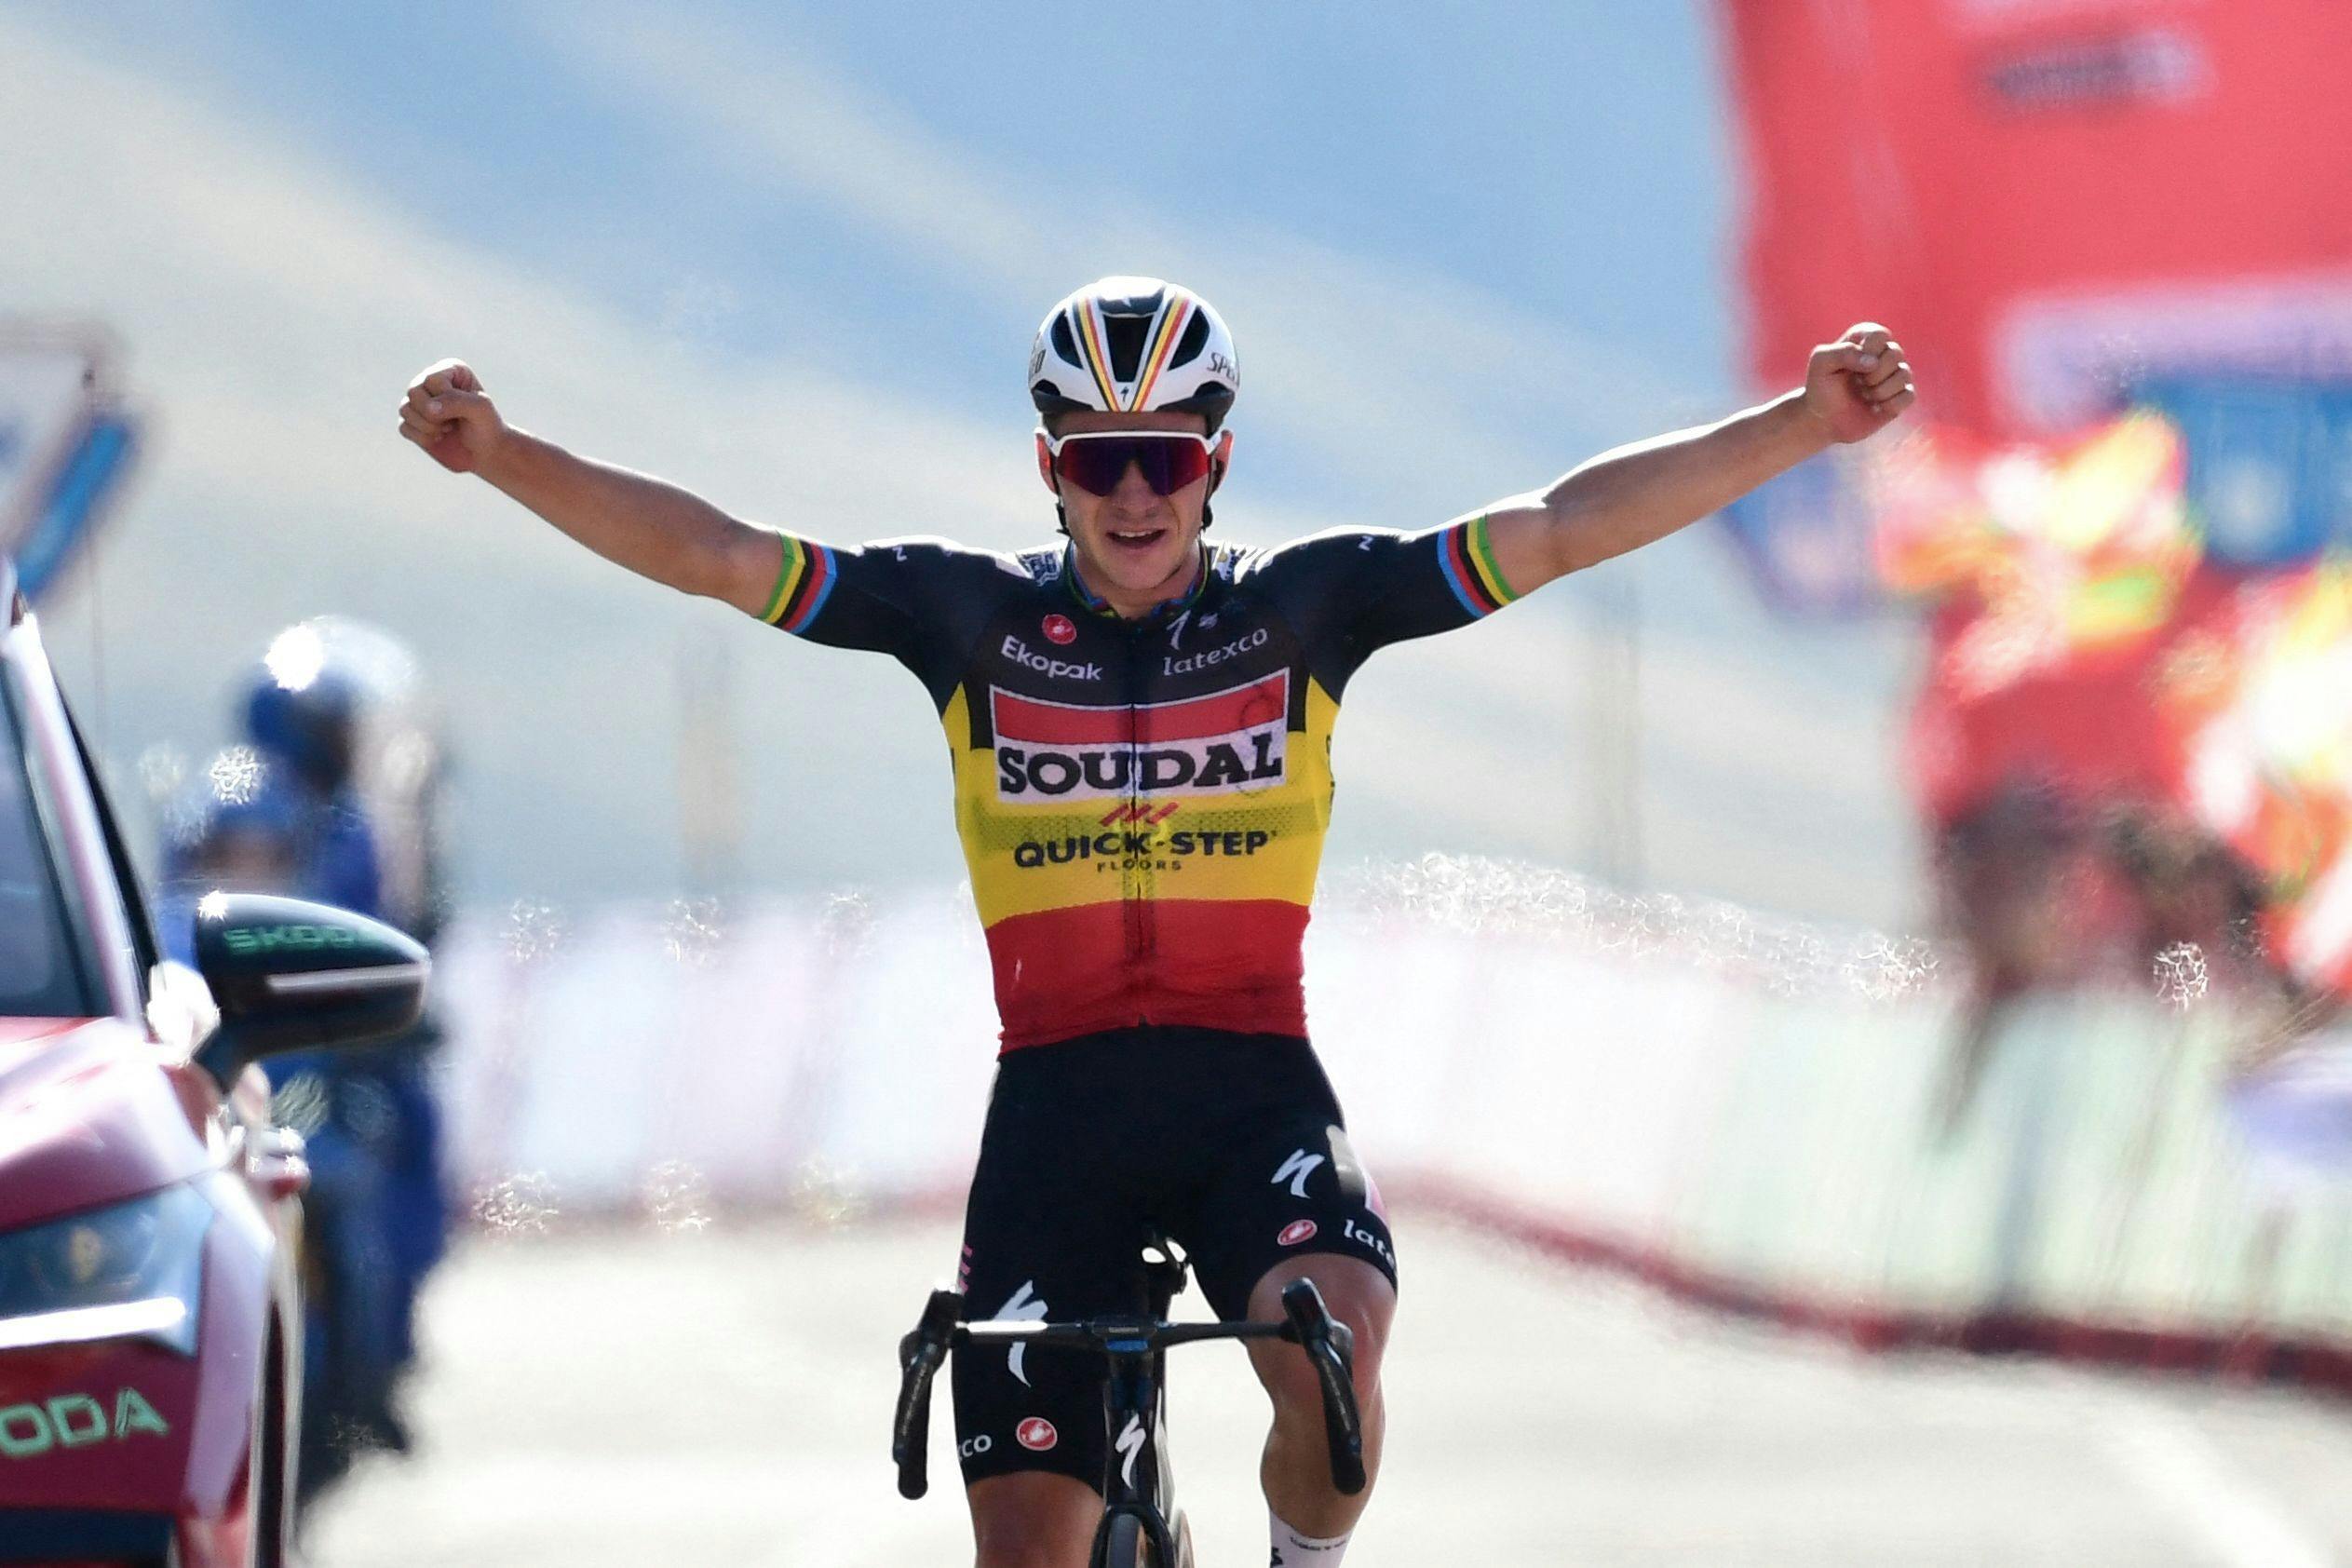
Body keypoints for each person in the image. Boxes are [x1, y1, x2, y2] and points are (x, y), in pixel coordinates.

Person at [399, 277, 1914, 1567]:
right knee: (1028, 1547)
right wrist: (504, 455)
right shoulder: (964, 621)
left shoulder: (1306, 613)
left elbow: (1566, 526)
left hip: (1246, 1087)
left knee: (1328, 1369)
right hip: (1055, 1108)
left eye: (1166, 459)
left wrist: (1800, 426)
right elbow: (721, 558)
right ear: (1048, 464)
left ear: (1217, 461)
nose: (1135, 493)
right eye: (1100, 458)